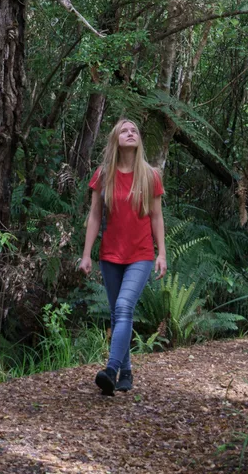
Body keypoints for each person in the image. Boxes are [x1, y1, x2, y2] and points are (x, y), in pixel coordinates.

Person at [79, 117, 166, 395]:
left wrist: (161, 253)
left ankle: (112, 369)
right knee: (118, 315)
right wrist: (86, 254)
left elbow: (156, 217)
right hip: (110, 256)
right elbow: (94, 216)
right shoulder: (104, 174)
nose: (131, 133)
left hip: (140, 254)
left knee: (124, 307)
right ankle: (126, 373)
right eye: (124, 130)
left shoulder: (150, 175)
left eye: (135, 130)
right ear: (115, 139)